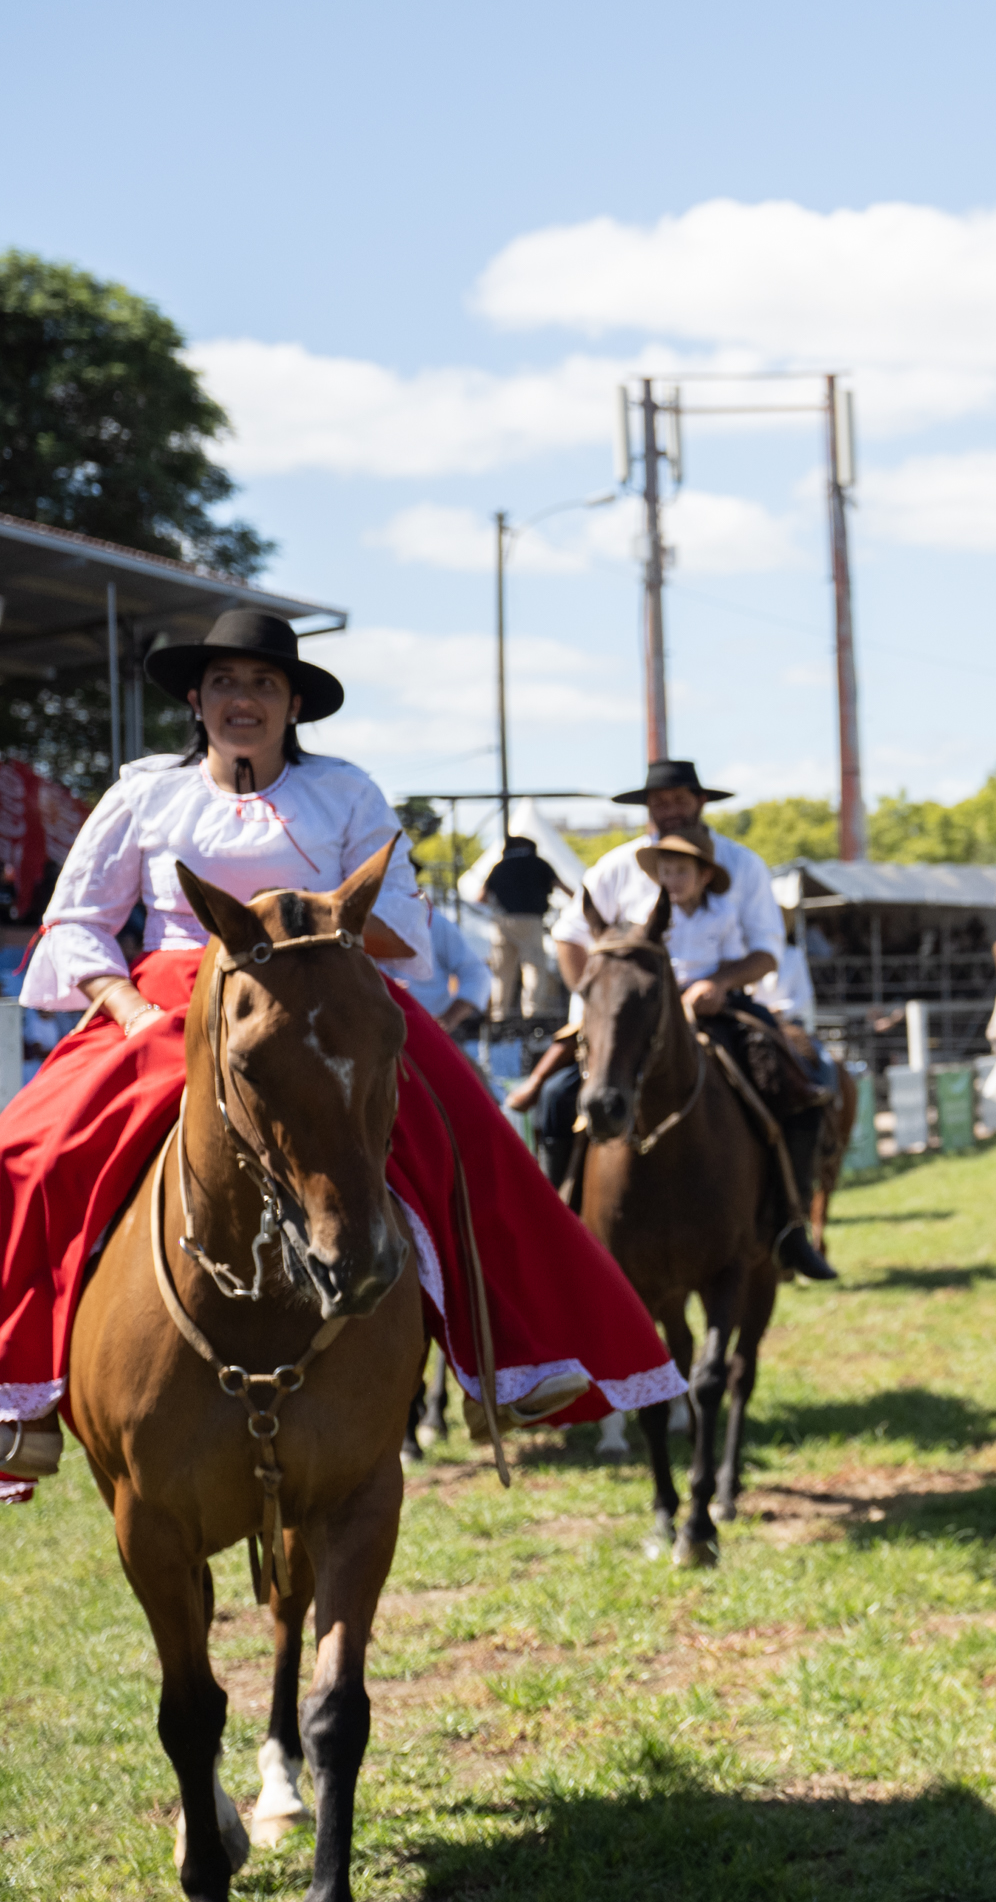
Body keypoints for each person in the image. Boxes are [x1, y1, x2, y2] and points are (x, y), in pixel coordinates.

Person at [0, 609, 679, 1499]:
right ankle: (23, 1396)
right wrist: (126, 1011)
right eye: (228, 684)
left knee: (464, 1130)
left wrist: (318, 919)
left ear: (292, 707)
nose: (244, 700)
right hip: (173, 998)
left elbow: (396, 920)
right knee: (27, 1150)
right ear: (198, 699)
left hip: (329, 992)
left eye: (264, 685)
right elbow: (80, 921)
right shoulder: (142, 795)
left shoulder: (347, 791)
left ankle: (511, 1356)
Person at [525, 763, 835, 1281]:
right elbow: (569, 934)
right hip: (628, 1019)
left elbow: (766, 952)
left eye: (676, 800)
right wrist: (592, 999)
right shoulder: (615, 866)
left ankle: (788, 1226)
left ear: (699, 802)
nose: (667, 810)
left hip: (721, 1008)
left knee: (795, 1087)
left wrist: (718, 984)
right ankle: (561, 1227)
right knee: (558, 1097)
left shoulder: (744, 865)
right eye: (658, 802)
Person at [477, 834, 569, 1024]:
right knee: (534, 968)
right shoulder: (539, 863)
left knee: (502, 972)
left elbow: (481, 897)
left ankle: (498, 1016)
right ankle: (533, 1015)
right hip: (530, 920)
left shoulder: (500, 866)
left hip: (501, 921)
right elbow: (561, 886)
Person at [423, 903, 494, 1038]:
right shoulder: (371, 918)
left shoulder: (431, 921)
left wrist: (449, 1019)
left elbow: (477, 975)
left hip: (428, 1036)